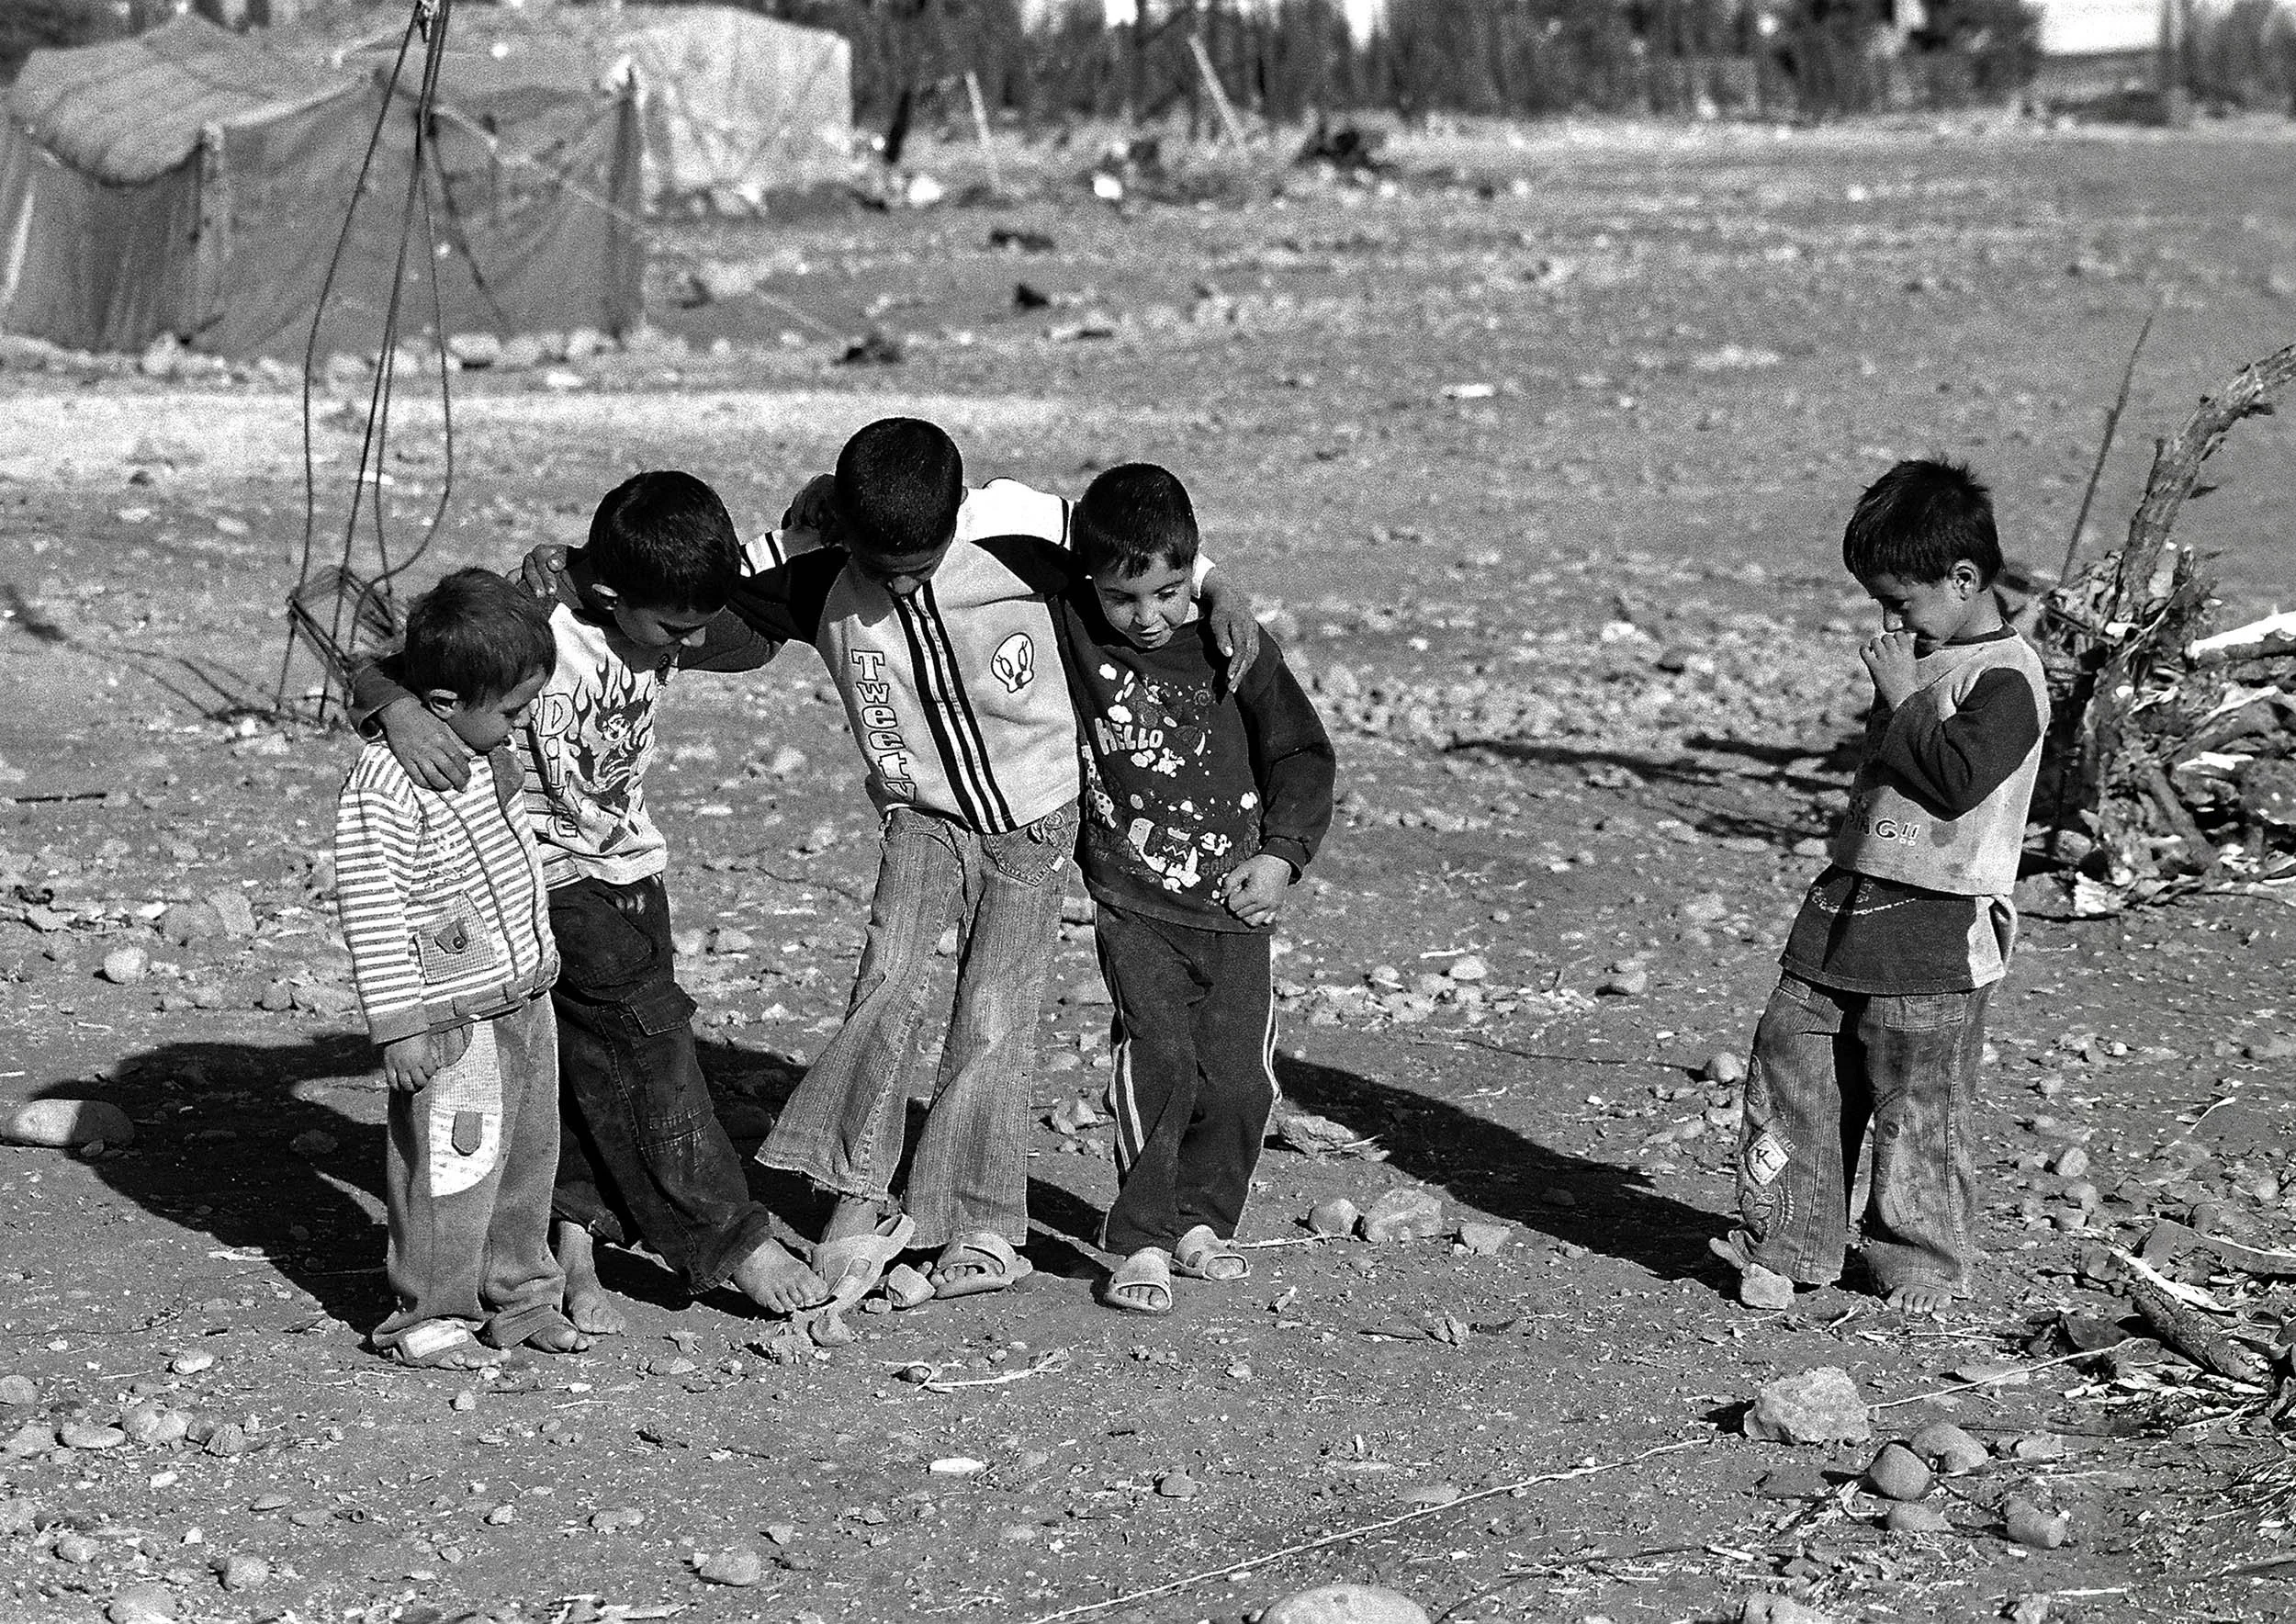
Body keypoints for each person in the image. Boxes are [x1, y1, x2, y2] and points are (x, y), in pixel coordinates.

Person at [701, 418, 1260, 1301]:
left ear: (956, 509)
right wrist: (582, 576)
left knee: (995, 1014)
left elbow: (1126, 542)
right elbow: (710, 593)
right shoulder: (821, 561)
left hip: (1035, 819)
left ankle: (976, 1224)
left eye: (920, 566)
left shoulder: (1013, 526)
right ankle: (856, 1196)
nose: (902, 584)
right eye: (884, 570)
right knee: (887, 983)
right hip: (920, 817)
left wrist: (1217, 585)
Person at [353, 472, 827, 1332]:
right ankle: (730, 1240)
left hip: (629, 870)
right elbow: (409, 661)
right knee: (652, 1046)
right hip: (546, 874)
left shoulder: (663, 610)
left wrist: (806, 535)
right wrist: (394, 708)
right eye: (675, 632)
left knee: (579, 1072)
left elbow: (754, 628)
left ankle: (572, 1241)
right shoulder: (535, 617)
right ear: (609, 595)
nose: (690, 644)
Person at [1713, 459, 2047, 1316]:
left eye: (1901, 601)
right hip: (1847, 905)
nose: (1889, 622)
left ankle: (1919, 1263)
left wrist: (1904, 701)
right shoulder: (1924, 661)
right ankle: (1789, 1240)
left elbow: (1957, 782)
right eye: (1878, 602)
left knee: (1917, 1099)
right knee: (1792, 1059)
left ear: (1964, 579)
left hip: (1937, 925)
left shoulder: (2006, 678)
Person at [1052, 465, 1334, 1315]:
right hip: (1134, 903)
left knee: (1241, 1081)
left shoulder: (1232, 645)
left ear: (1192, 570)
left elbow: (1301, 754)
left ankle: (1203, 1221)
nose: (1147, 617)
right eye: (1123, 599)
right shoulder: (1073, 623)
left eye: (1169, 592)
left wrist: (1281, 858)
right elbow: (1002, 522)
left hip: (1235, 908)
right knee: (1160, 1061)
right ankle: (1141, 1236)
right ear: (1092, 584)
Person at [334, 569, 587, 1368]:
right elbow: (373, 908)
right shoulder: (386, 783)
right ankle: (429, 1314)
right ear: (442, 703)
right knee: (453, 1169)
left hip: (525, 999)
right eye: (511, 711)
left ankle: (522, 1296)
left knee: (528, 1161)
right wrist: (400, 1026)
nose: (521, 725)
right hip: (455, 1021)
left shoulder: (484, 752)